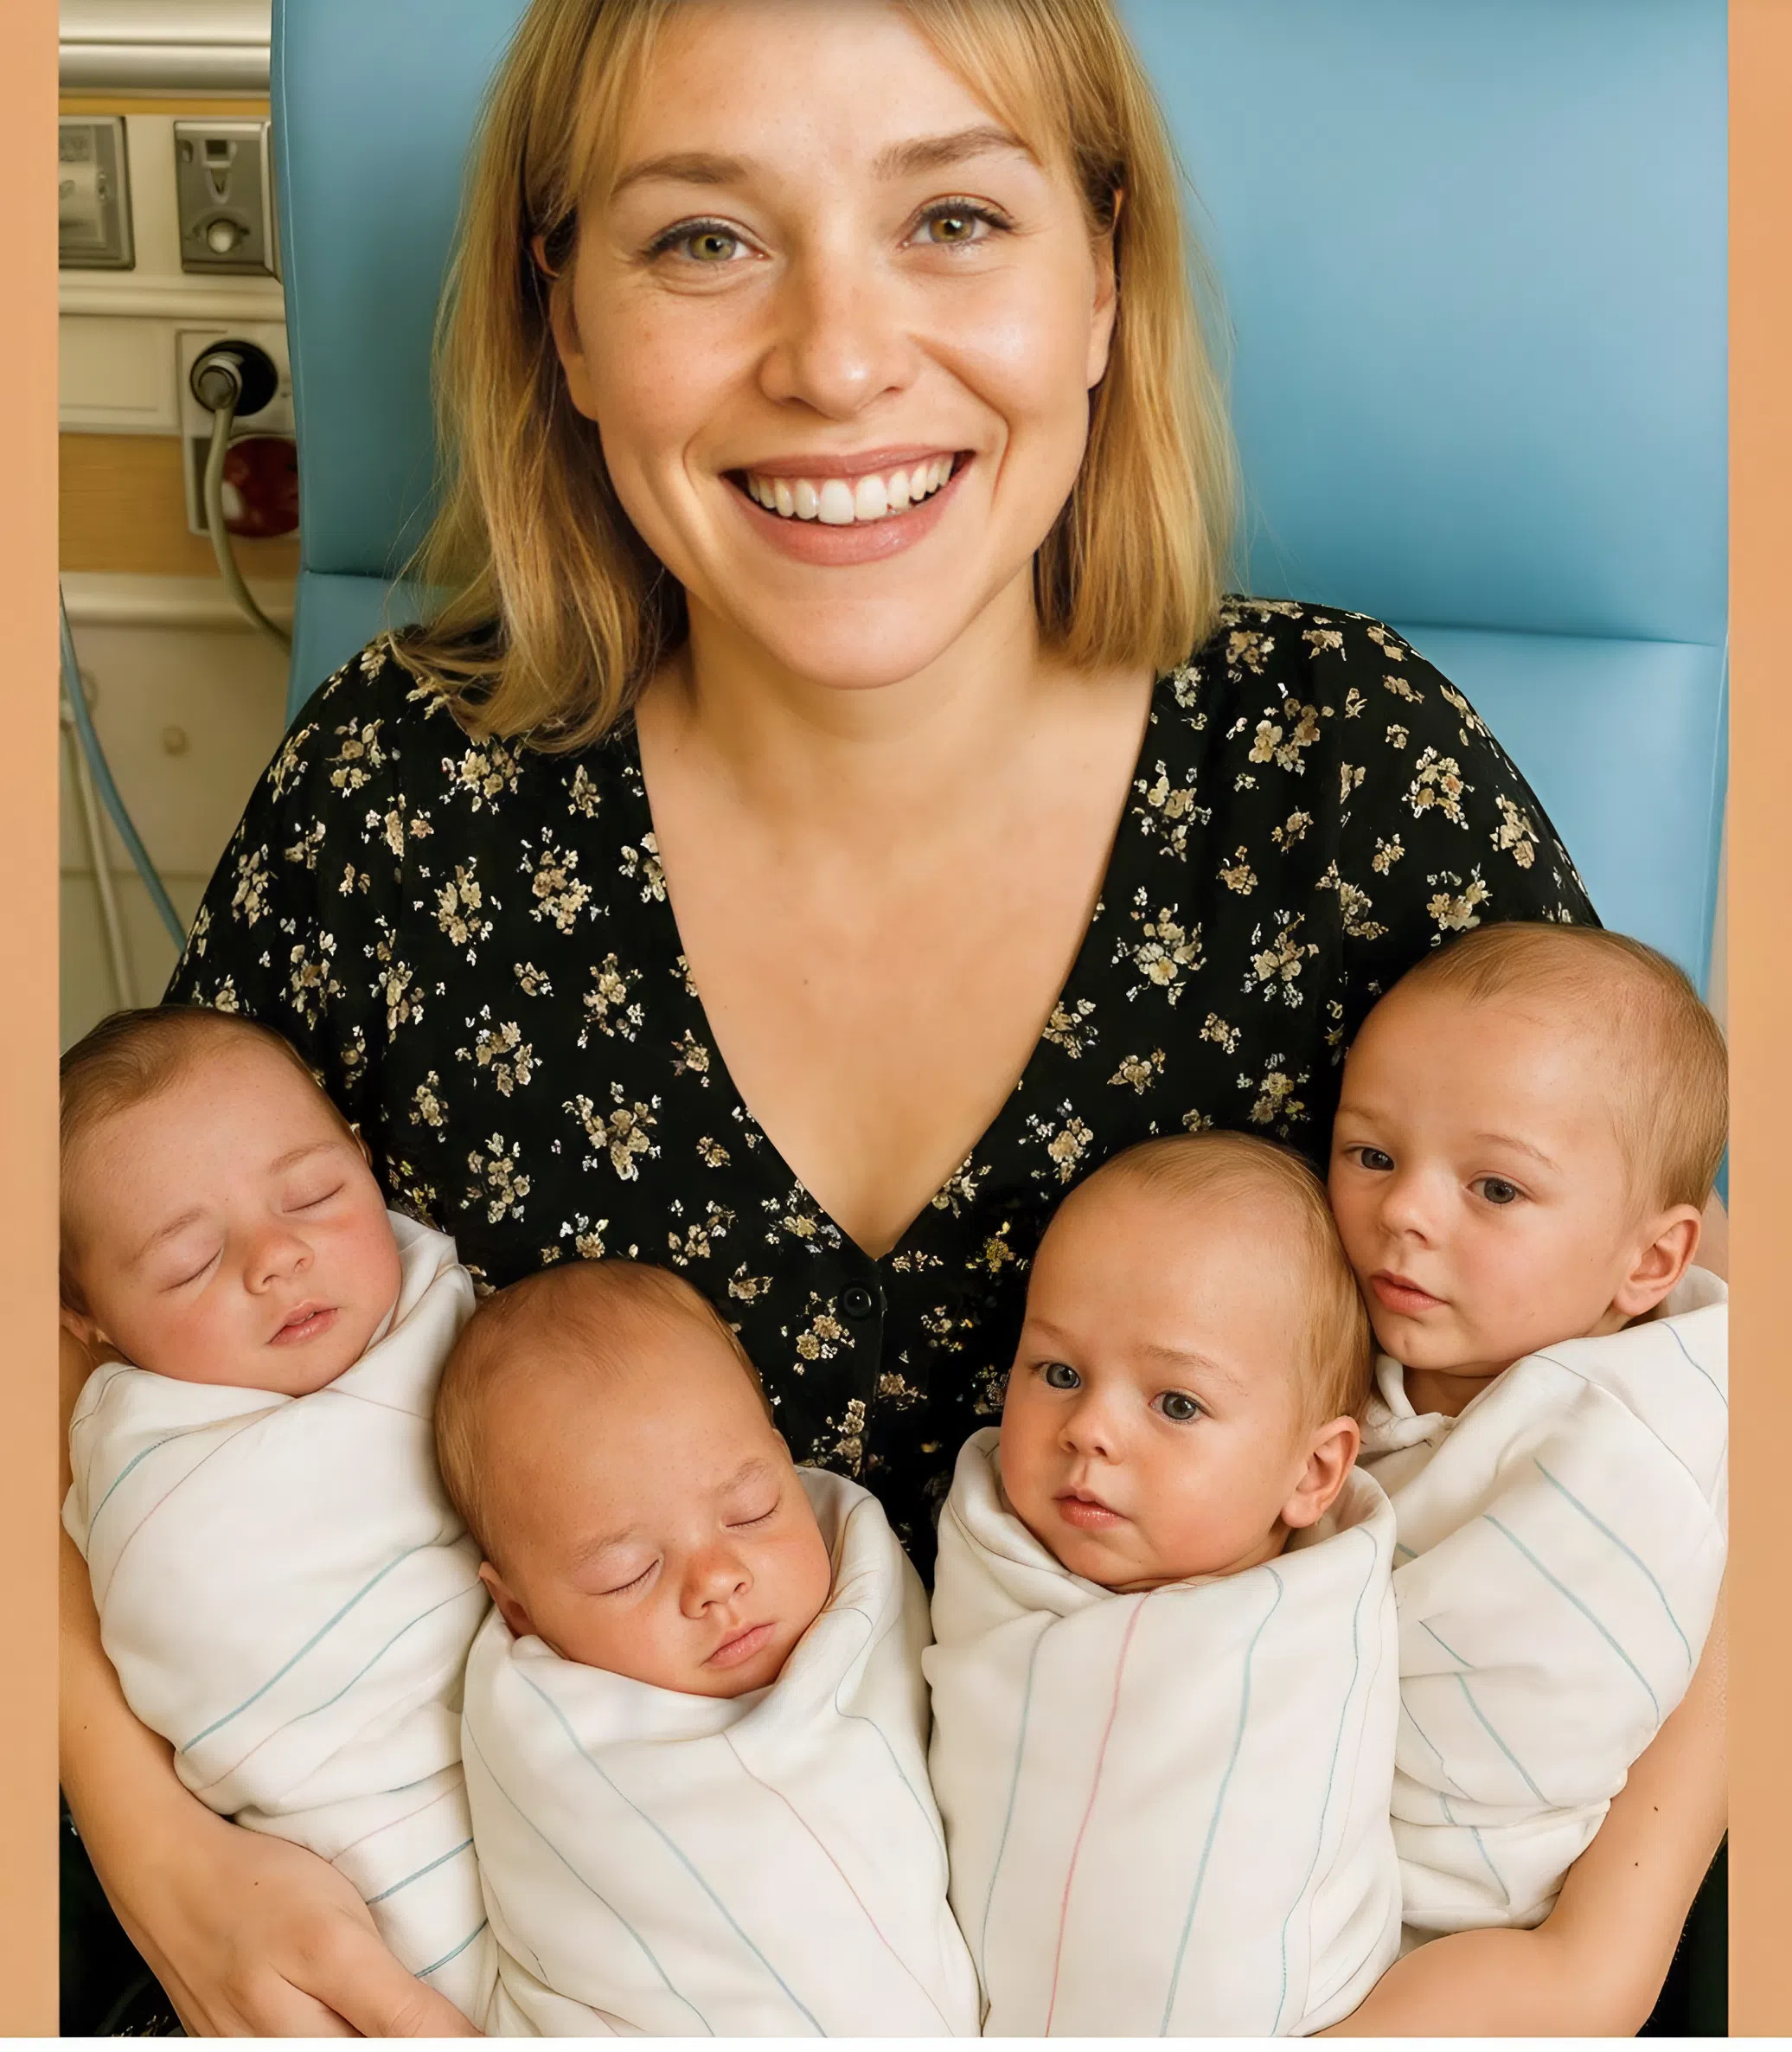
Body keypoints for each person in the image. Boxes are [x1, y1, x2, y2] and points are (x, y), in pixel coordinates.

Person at [57, 0, 1723, 2033]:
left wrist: (1593, 1948)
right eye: (704, 238)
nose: (838, 360)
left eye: (952, 218)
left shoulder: (1340, 776)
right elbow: (71, 1319)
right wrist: (155, 1845)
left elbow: (1690, 1359)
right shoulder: (405, 796)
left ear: (1101, 280)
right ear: (562, 318)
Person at [59, 1009, 495, 2024]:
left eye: (312, 1195)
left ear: (364, 1158)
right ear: (88, 1320)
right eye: (187, 1262)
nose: (277, 1255)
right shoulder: (144, 1462)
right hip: (344, 1872)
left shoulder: (442, 1306)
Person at [927, 1132, 1403, 2035]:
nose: (1089, 1427)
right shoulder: (985, 1553)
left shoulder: (1305, 1630)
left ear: (1311, 1472)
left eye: (1176, 1403)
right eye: (1058, 1373)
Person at [437, 1260, 979, 2036]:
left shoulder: (875, 1591)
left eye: (752, 1511)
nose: (717, 1580)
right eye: (630, 1572)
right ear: (519, 1609)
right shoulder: (540, 1740)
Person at [1328, 922, 1727, 1941]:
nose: (1403, 1209)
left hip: (1452, 1917)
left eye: (1495, 1187)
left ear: (1648, 1262)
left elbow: (1495, 1777)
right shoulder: (1352, 1353)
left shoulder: (1619, 1460)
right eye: (1370, 1154)